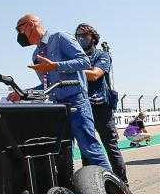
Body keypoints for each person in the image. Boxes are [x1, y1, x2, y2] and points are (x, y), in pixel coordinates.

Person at [12, 14, 112, 172]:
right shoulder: (36, 55)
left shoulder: (60, 38)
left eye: (19, 29)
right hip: (57, 107)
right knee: (62, 153)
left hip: (77, 102)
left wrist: (55, 66)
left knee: (90, 149)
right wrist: (22, 93)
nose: (19, 35)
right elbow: (48, 86)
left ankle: (112, 192)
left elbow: (84, 62)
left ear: (30, 24)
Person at [75, 23, 127, 182]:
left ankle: (123, 185)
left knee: (111, 147)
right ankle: (91, 187)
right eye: (78, 36)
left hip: (101, 107)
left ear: (93, 37)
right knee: (86, 149)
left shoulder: (102, 55)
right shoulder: (76, 58)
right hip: (83, 107)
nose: (80, 38)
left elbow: (95, 75)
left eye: (84, 35)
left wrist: (70, 69)